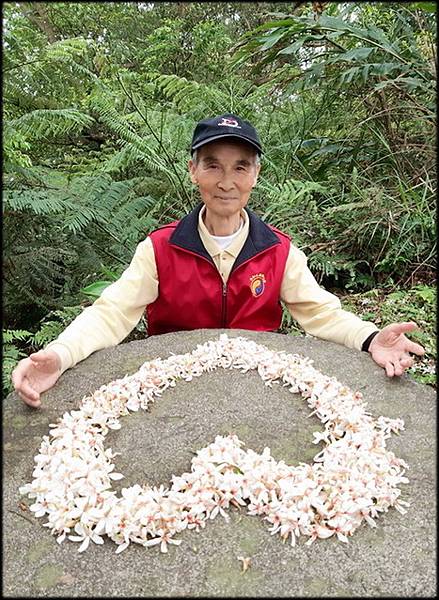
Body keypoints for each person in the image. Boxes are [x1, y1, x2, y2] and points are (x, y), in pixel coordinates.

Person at [12, 113, 425, 408]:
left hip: (258, 388)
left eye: (240, 168)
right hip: (169, 391)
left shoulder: (279, 251)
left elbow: (322, 314)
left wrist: (371, 338)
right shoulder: (160, 249)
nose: (227, 182)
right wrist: (60, 355)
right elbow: (111, 314)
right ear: (193, 170)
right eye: (213, 166)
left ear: (255, 175)